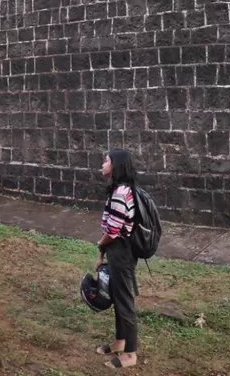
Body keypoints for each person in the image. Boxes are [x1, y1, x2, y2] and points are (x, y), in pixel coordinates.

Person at [95, 149, 140, 369]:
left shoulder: (122, 192)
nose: (102, 165)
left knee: (124, 301)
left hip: (121, 251)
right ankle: (120, 342)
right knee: (117, 296)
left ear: (117, 166)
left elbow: (113, 231)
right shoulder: (119, 189)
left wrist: (100, 246)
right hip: (116, 251)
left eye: (106, 161)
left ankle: (131, 354)